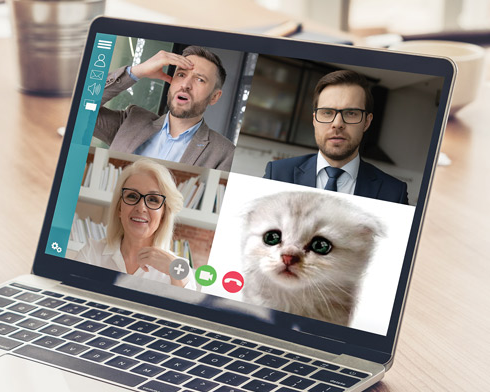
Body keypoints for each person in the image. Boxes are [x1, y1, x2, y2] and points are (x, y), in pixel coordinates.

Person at [264, 70, 409, 204]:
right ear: (315, 119)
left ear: (366, 122)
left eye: (351, 113)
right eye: (327, 112)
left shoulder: (394, 193)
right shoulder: (277, 174)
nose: (337, 124)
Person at [94, 46, 235, 172]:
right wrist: (137, 71)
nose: (185, 85)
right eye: (181, 74)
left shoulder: (225, 154)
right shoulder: (130, 121)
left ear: (214, 97)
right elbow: (78, 109)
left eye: (200, 79)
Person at [75, 159, 195, 289]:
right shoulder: (91, 253)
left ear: (163, 215)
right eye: (132, 196)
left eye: (153, 199)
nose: (141, 207)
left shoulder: (179, 269)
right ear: (119, 208)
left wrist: (176, 274)